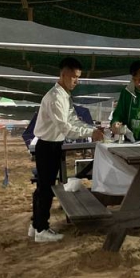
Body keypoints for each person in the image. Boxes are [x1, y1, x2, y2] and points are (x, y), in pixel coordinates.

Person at [30, 57, 104, 243]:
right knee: (46, 189)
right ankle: (41, 229)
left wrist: (91, 129)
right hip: (47, 145)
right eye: (73, 77)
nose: (76, 81)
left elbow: (73, 120)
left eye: (78, 77)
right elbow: (66, 127)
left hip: (53, 144)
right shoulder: (56, 98)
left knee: (43, 188)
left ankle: (35, 224)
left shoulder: (64, 95)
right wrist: (91, 132)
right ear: (63, 75)